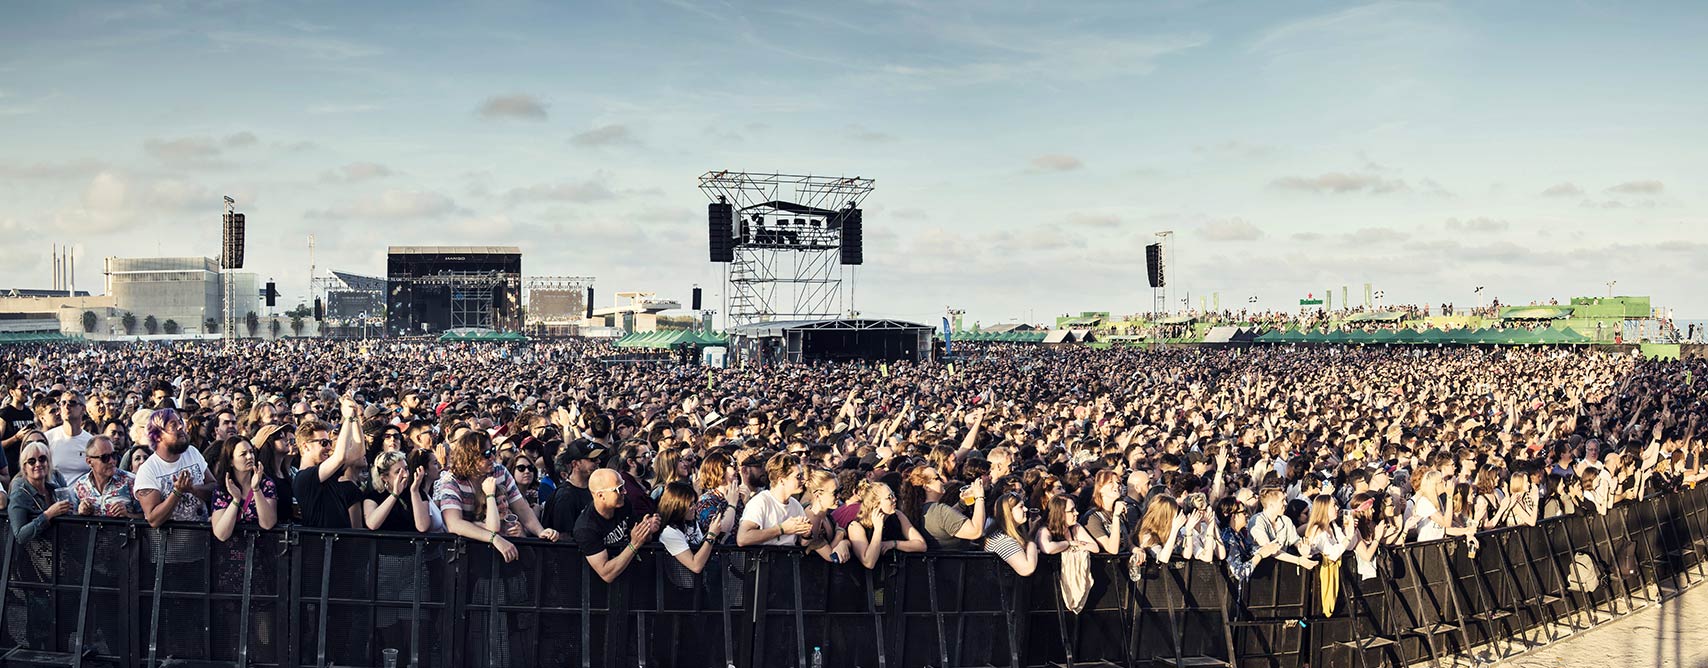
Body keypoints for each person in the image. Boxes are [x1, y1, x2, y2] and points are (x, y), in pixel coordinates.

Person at [435, 429, 560, 563]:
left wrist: (540, 531)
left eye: (493, 451)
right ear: (470, 457)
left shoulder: (499, 471)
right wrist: (494, 538)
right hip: (463, 556)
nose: (493, 458)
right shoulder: (451, 481)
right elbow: (454, 524)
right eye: (486, 454)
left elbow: (521, 508)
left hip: (496, 555)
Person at [135, 409, 215, 528]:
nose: (180, 427)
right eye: (173, 425)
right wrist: (177, 492)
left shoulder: (191, 452)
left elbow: (213, 486)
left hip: (201, 537)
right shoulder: (148, 470)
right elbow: (153, 520)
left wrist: (193, 489)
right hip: (170, 543)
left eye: (180, 422)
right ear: (158, 436)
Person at [577, 468, 659, 582]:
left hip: (632, 578)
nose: (625, 491)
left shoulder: (624, 504)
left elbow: (639, 537)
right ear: (601, 496)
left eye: (623, 486)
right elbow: (606, 574)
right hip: (601, 591)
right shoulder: (586, 528)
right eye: (619, 489)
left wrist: (646, 530)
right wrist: (634, 545)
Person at [292, 406, 365, 529]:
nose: (329, 448)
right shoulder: (304, 477)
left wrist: (354, 417)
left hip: (341, 544)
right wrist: (347, 418)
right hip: (320, 546)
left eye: (329, 442)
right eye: (324, 443)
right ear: (305, 446)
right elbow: (340, 457)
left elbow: (358, 451)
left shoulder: (328, 472)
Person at [208, 435, 280, 541]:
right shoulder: (222, 489)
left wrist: (256, 489)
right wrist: (236, 500)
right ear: (231, 461)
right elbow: (221, 534)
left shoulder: (265, 483)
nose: (250, 457)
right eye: (243, 454)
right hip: (230, 553)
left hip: (262, 550)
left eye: (251, 452)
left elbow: (268, 524)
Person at [736, 453, 811, 547]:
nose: (803, 480)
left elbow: (802, 542)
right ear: (781, 480)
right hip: (764, 559)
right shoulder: (760, 502)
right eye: (798, 476)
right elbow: (742, 538)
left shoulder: (795, 505)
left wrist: (806, 535)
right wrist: (781, 529)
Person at [847, 481, 926, 568]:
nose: (895, 499)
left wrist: (893, 544)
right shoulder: (856, 526)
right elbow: (869, 562)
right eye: (889, 497)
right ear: (875, 503)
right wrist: (878, 529)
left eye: (893, 494)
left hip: (898, 575)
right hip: (872, 578)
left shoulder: (898, 515)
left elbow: (921, 545)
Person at [8, 442, 71, 543]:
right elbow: (20, 535)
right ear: (24, 467)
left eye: (42, 459)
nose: (38, 464)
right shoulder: (20, 495)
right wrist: (48, 514)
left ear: (48, 463)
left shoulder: (55, 489)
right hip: (35, 555)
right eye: (32, 461)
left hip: (62, 548)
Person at [69, 435, 142, 519]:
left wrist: (128, 515)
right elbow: (71, 519)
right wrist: (80, 512)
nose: (111, 461)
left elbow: (148, 517)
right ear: (89, 462)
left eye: (114, 455)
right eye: (105, 458)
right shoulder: (80, 485)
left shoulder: (131, 481)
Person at [542, 439, 603, 537]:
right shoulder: (565, 497)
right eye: (592, 459)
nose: (598, 461)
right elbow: (565, 539)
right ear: (575, 464)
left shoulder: (594, 487)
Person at [362, 450, 432, 532]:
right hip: (385, 543)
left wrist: (414, 491)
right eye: (398, 472)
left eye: (406, 469)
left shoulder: (417, 492)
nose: (405, 475)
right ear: (385, 477)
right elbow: (372, 524)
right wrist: (394, 494)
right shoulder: (374, 496)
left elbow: (422, 527)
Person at [985, 492, 1041, 576]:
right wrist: (1031, 542)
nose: (1026, 509)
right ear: (1009, 512)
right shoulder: (1002, 540)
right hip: (1003, 587)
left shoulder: (1006, 534)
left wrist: (1032, 531)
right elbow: (1027, 569)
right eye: (1021, 507)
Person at [46, 390, 93, 482]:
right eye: (63, 403)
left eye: (72, 403)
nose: (67, 406)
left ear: (83, 409)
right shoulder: (48, 438)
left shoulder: (91, 442)